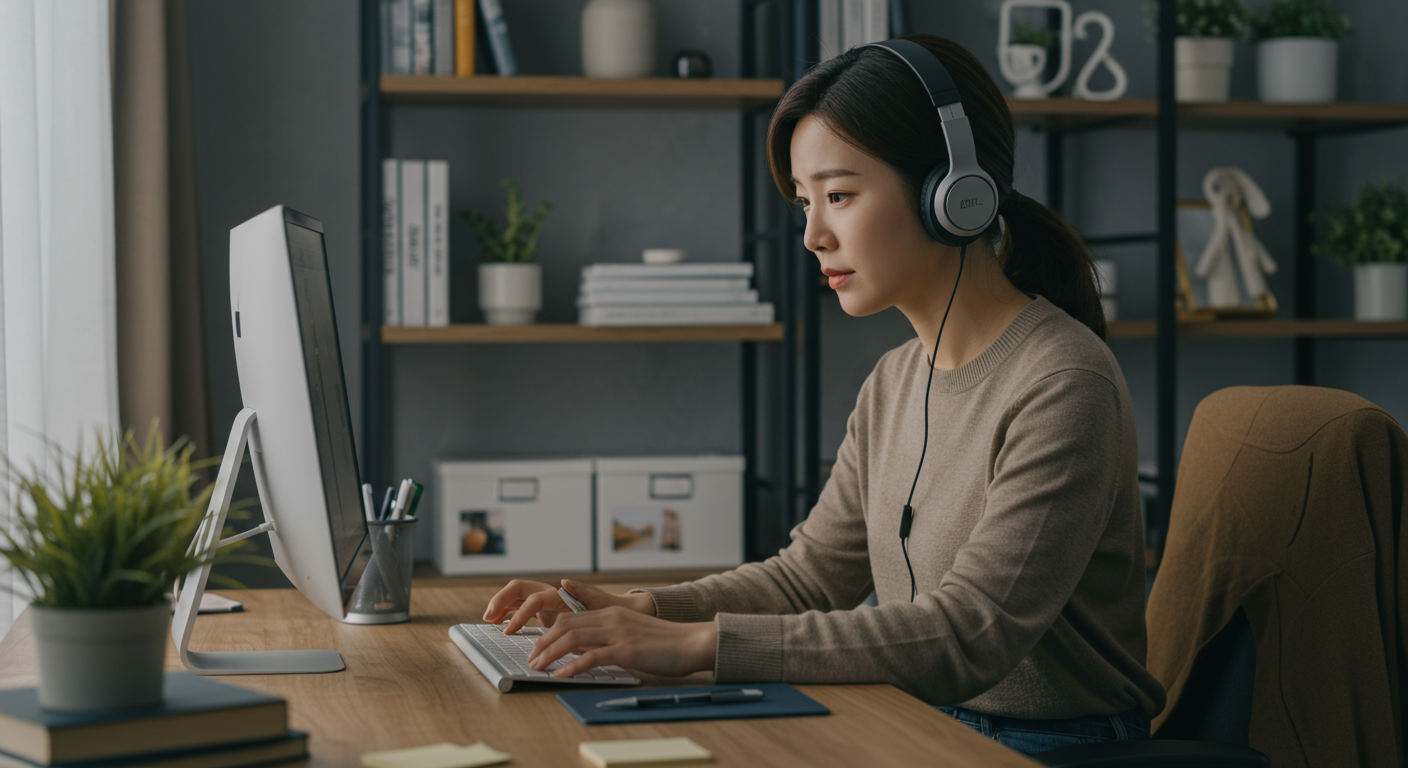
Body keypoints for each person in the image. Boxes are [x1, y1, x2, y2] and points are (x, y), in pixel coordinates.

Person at [483, 35, 1165, 755]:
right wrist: (640, 607)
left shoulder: (1062, 382)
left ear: (955, 196)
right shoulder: (895, 381)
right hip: (918, 722)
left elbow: (970, 636)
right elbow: (808, 578)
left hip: (1044, 745)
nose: (812, 234)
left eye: (838, 195)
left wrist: (691, 645)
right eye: (805, 202)